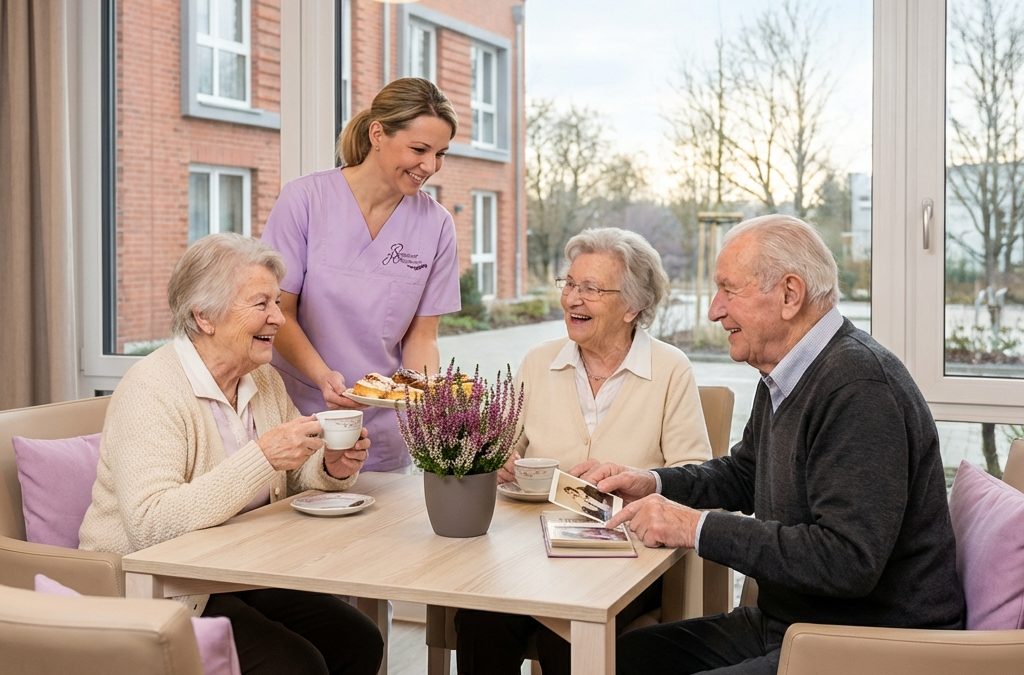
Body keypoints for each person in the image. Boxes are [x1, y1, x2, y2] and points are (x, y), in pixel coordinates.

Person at [581, 215, 964, 675]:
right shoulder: (785, 372)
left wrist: (695, 527)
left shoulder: (859, 387)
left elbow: (847, 560)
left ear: (789, 294)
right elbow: (744, 473)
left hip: (872, 642)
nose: (714, 310)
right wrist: (654, 483)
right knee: (620, 657)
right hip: (794, 624)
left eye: (728, 290)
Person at [79, 233, 384, 675]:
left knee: (358, 641)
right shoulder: (152, 389)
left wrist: (330, 467)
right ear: (204, 316)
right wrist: (261, 456)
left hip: (240, 571)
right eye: (261, 304)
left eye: (277, 303)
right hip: (162, 587)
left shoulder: (262, 380)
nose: (279, 318)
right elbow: (150, 525)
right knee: (297, 665)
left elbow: (293, 475)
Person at [454, 227, 712, 675]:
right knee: (479, 618)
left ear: (632, 306)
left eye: (591, 289)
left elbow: (696, 473)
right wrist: (493, 459)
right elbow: (497, 448)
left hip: (630, 559)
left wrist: (638, 483)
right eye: (570, 284)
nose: (573, 298)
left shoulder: (670, 369)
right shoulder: (539, 361)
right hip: (531, 548)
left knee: (566, 639)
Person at [262, 77, 461, 472]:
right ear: (377, 134)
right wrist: (322, 378)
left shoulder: (437, 225)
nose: (430, 166)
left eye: (440, 153)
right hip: (298, 413)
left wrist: (426, 404)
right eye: (419, 149)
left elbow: (423, 337)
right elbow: (278, 312)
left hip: (380, 428)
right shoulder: (305, 201)